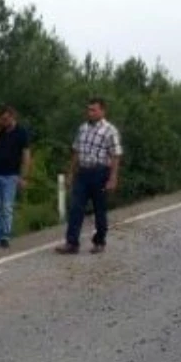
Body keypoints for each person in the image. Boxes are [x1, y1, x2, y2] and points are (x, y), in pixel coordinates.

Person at [57, 96, 122, 254]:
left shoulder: (109, 130)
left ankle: (99, 241)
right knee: (76, 207)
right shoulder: (83, 128)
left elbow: (116, 155)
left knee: (99, 209)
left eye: (94, 110)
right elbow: (76, 151)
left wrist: (113, 178)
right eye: (89, 109)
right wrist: (71, 172)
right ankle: (72, 243)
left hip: (100, 172)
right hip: (83, 172)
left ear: (102, 110)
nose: (90, 112)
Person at [0, 104, 32, 248]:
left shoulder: (21, 132)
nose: (3, 121)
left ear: (12, 117)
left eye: (6, 119)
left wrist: (24, 177)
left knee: (6, 207)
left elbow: (26, 155)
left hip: (11, 176)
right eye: (1, 119)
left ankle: (5, 235)